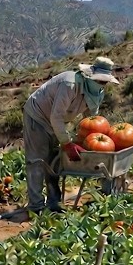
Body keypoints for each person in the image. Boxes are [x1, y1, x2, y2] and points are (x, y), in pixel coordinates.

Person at [21, 56, 120, 214]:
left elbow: (91, 121)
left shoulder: (97, 92)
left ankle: (53, 203)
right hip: (38, 116)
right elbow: (56, 117)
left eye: (105, 82)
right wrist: (67, 143)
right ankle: (36, 206)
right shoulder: (70, 85)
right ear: (89, 76)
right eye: (100, 81)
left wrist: (87, 142)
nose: (102, 85)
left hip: (56, 122)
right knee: (37, 160)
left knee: (53, 162)